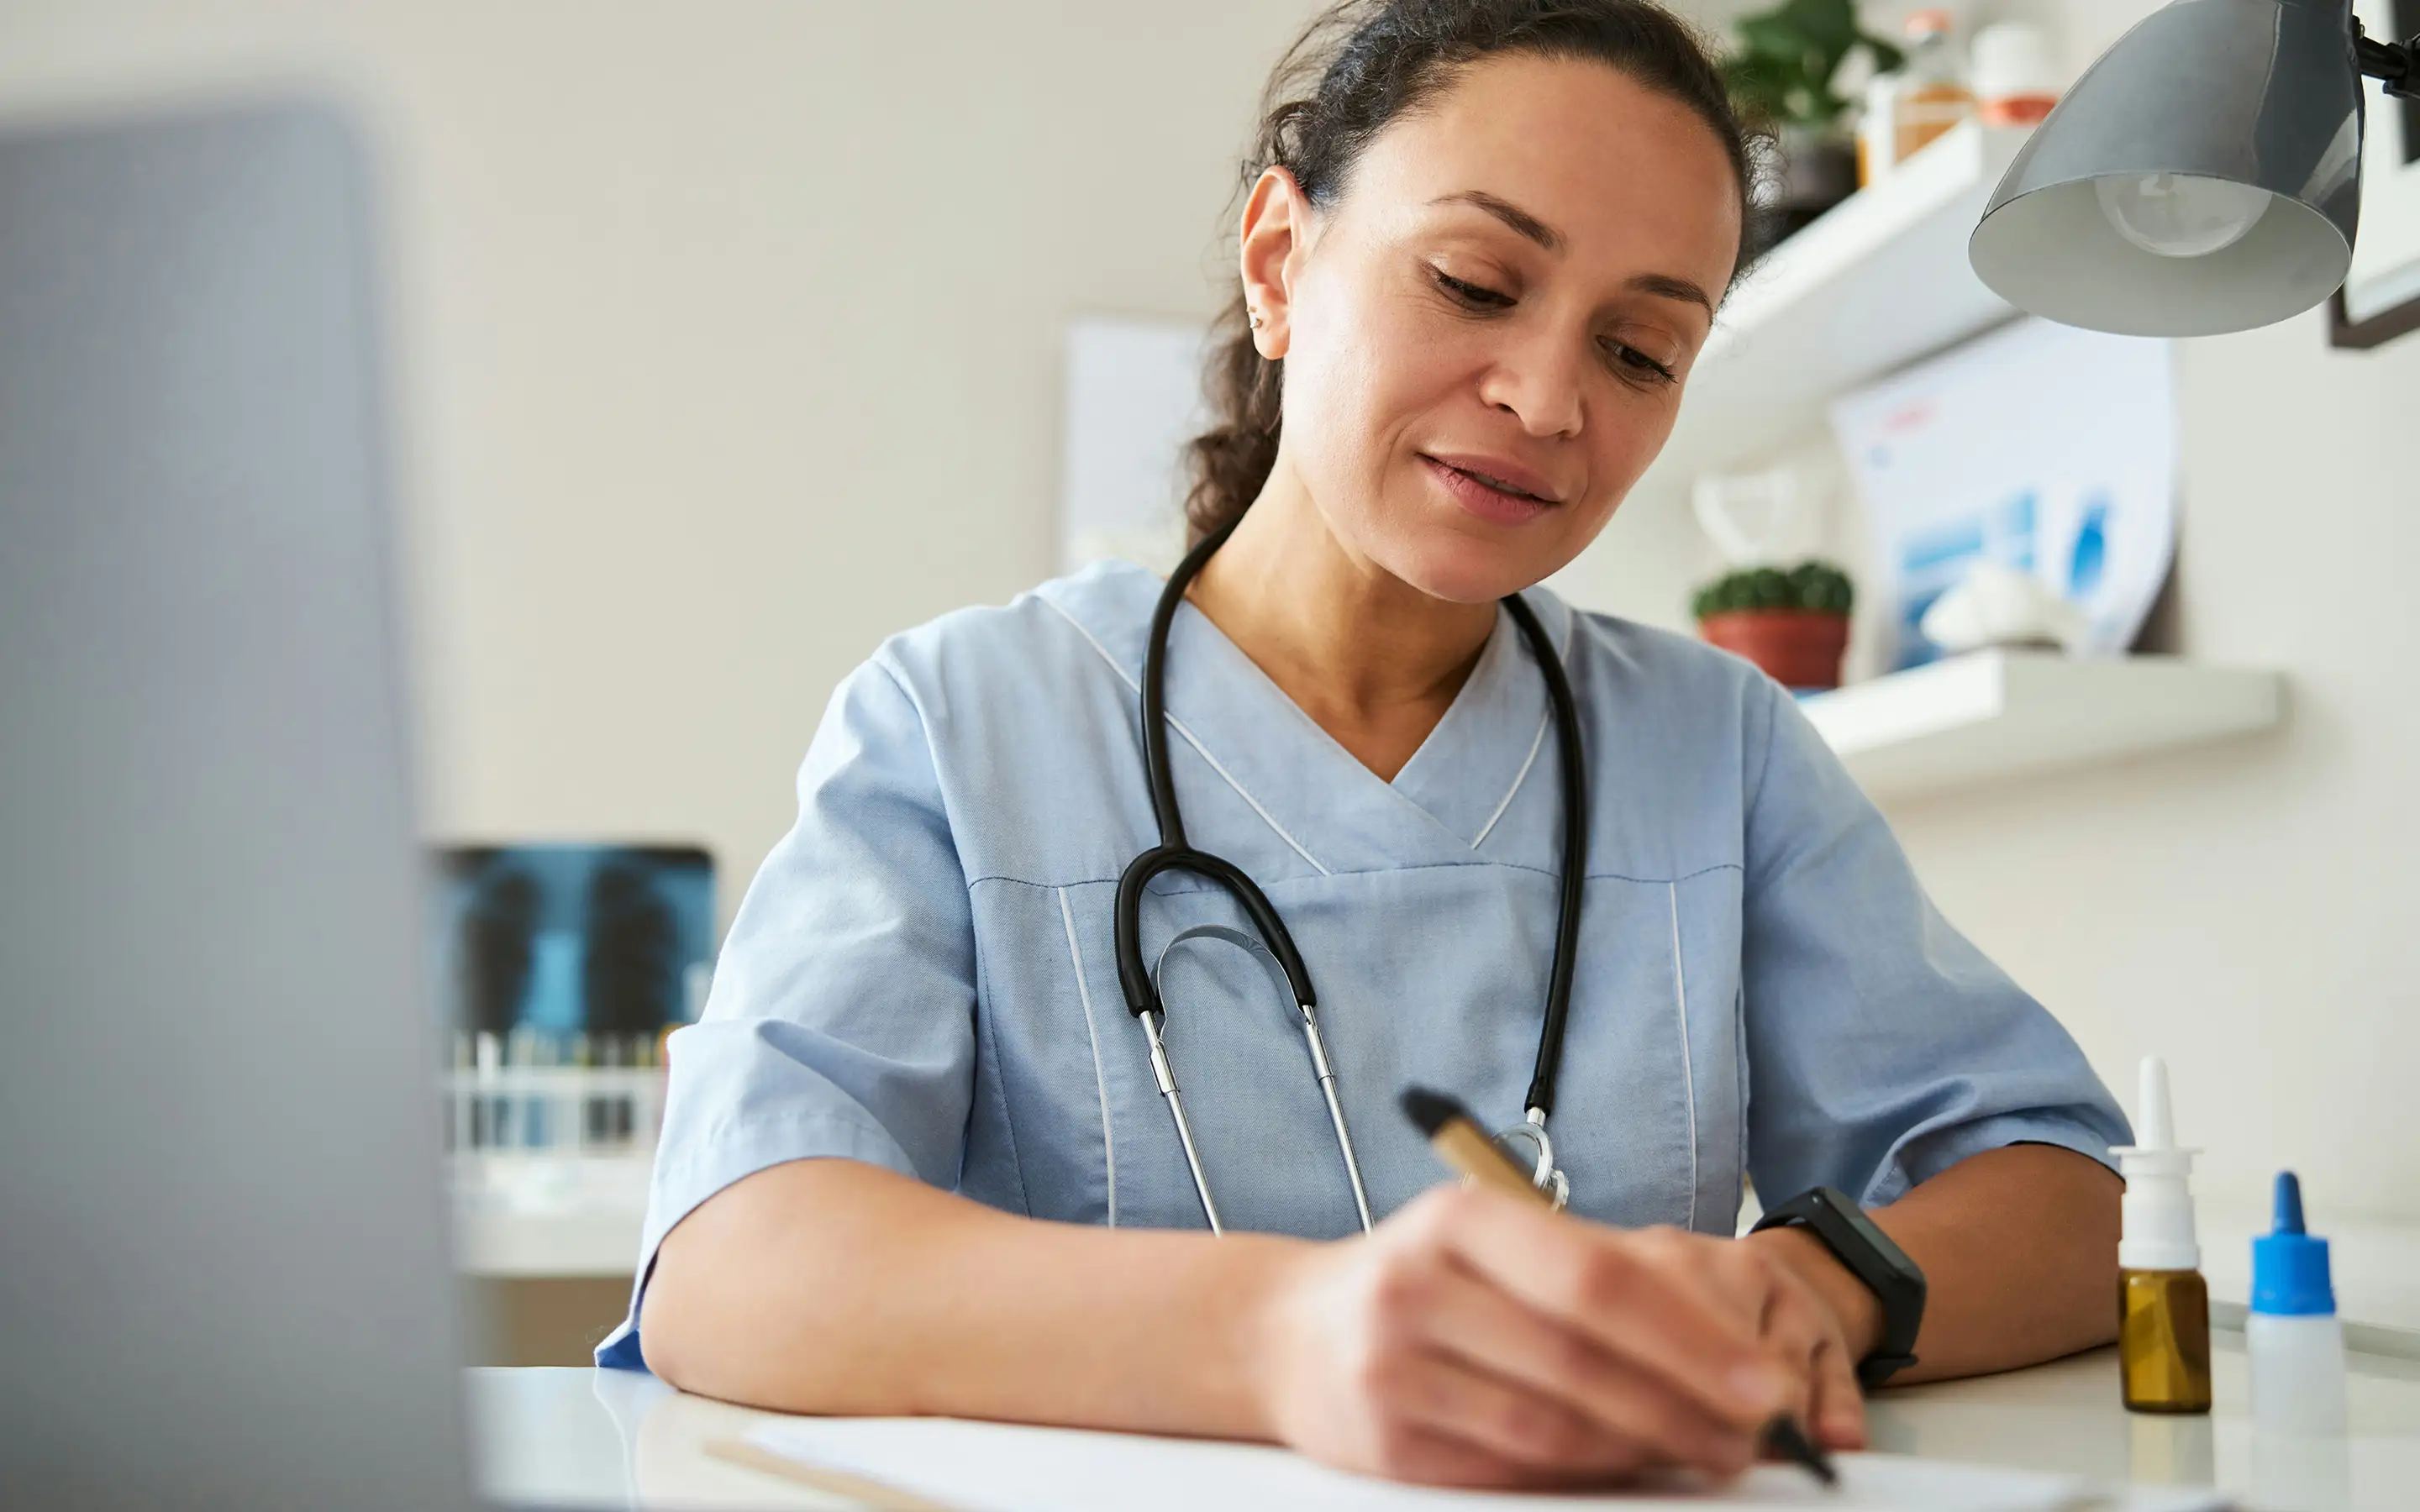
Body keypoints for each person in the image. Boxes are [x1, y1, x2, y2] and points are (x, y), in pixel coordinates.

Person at [608, 0, 2130, 1489]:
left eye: (1641, 351)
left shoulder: (1712, 746)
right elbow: (737, 1264)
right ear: (1281, 264)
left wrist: (1815, 1286)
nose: (1547, 399)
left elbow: (2071, 1204)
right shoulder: (961, 722)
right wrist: (1284, 1339)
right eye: (1474, 281)